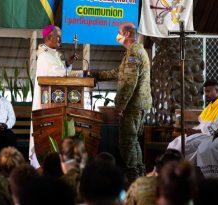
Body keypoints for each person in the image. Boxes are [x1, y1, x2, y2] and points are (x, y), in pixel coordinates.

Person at [90, 22, 152, 183]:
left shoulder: (133, 53)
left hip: (132, 105)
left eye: (119, 32)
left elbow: (129, 83)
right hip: (139, 104)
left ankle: (133, 179)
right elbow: (119, 73)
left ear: (126, 35)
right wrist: (95, 74)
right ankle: (140, 175)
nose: (117, 35)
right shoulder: (137, 51)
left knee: (126, 143)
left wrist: (120, 107)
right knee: (133, 141)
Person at [29, 25, 79, 169]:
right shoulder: (44, 56)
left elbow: (60, 72)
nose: (60, 39)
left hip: (55, 103)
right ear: (49, 38)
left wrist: (68, 64)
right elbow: (57, 75)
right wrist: (73, 73)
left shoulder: (53, 54)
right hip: (46, 104)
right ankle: (40, 165)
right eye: (58, 36)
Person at [167, 79, 218, 162]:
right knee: (175, 142)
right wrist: (193, 130)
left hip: (208, 136)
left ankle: (184, 169)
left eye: (208, 91)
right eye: (205, 91)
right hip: (200, 133)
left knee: (183, 145)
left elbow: (216, 130)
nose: (206, 94)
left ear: (217, 90)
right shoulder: (209, 106)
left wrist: (197, 131)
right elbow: (202, 124)